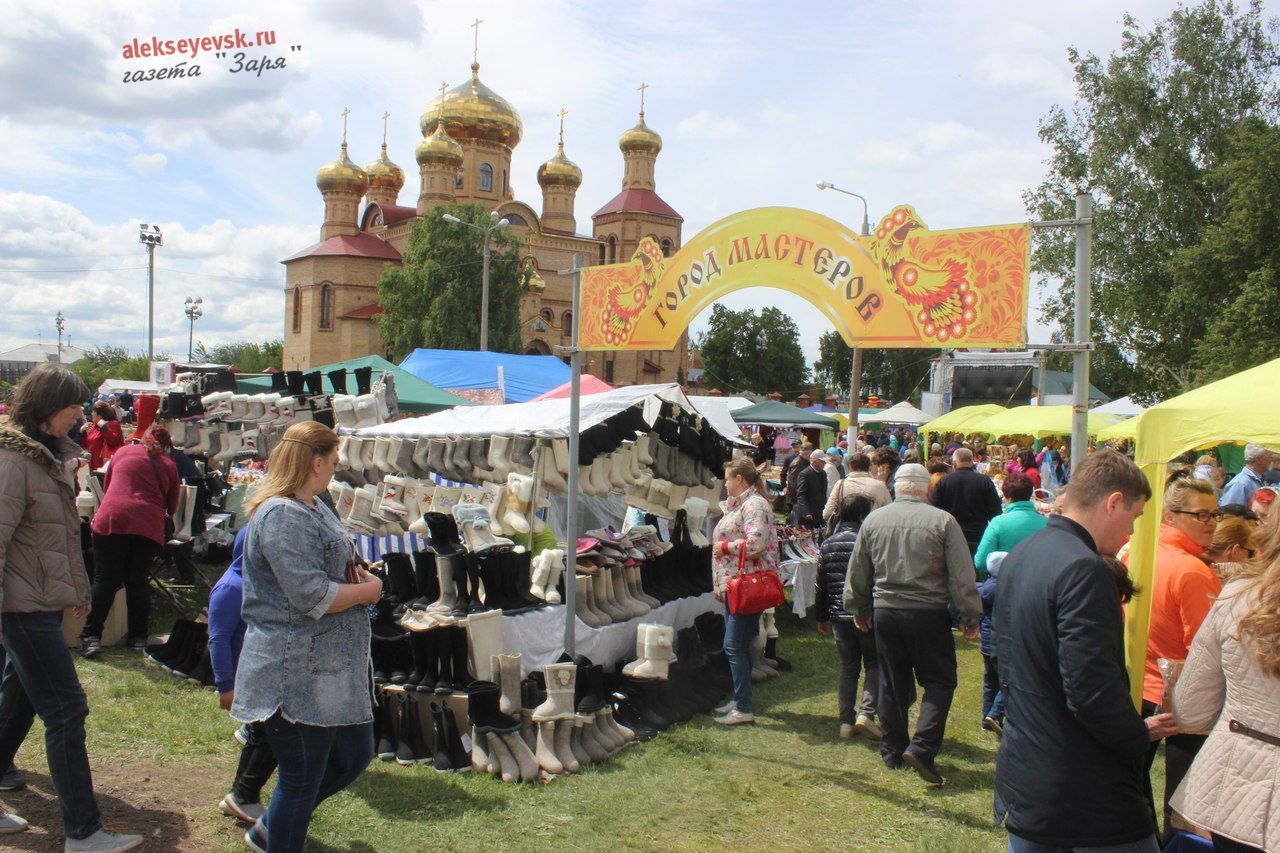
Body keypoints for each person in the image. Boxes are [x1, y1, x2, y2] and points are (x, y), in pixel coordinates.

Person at [994, 448, 1173, 853]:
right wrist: (1136, 733)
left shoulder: (1025, 552)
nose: (1130, 533)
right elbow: (1089, 687)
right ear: (1113, 503)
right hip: (1081, 786)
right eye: (1134, 516)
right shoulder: (1083, 567)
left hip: (1030, 771)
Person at [0, 363, 143, 851]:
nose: (80, 416)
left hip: (36, 600)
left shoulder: (45, 459)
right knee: (66, 710)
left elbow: (60, 539)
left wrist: (79, 590)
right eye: (72, 407)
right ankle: (82, 832)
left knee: (18, 699)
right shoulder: (14, 462)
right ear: (44, 408)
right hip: (20, 607)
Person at [231, 421, 381, 852]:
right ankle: (278, 838)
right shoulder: (282, 514)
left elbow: (326, 574)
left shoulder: (311, 506)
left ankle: (268, 831)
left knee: (354, 754)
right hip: (294, 670)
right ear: (316, 462)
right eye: (333, 462)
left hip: (325, 666)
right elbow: (310, 595)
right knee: (301, 779)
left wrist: (354, 578)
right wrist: (368, 591)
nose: (335, 470)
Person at [844, 463, 981, 787]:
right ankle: (921, 747)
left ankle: (893, 750)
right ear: (926, 489)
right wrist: (969, 614)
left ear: (895, 487)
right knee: (940, 680)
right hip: (928, 612)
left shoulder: (874, 520)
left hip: (887, 610)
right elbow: (962, 574)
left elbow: (858, 569)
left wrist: (859, 606)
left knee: (892, 681)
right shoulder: (943, 521)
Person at [1169, 509, 1280, 853]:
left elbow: (1190, 709)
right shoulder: (1239, 592)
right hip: (1236, 789)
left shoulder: (1237, 595)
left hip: (1232, 790)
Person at [1138, 475, 1223, 842]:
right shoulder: (1192, 569)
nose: (1211, 523)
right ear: (1171, 515)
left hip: (1138, 683)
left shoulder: (1137, 550)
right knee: (1182, 795)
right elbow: (1206, 649)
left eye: (1215, 515)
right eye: (1201, 515)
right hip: (1181, 696)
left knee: (1133, 782)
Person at [81, 428, 180, 657]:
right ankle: (137, 638)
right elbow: (171, 506)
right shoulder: (169, 465)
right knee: (137, 582)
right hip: (146, 524)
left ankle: (91, 637)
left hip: (112, 518)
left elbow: (108, 488)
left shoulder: (122, 453)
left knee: (105, 580)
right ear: (166, 446)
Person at [209, 528, 277, 825]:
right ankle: (244, 796)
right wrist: (226, 686)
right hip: (244, 680)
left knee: (264, 734)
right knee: (271, 735)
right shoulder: (231, 588)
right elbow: (218, 639)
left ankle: (240, 795)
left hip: (258, 675)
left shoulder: (253, 584)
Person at [710, 457, 779, 727]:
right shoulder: (743, 505)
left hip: (746, 585)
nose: (724, 484)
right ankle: (740, 700)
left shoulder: (754, 505)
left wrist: (726, 547)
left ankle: (743, 707)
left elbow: (756, 543)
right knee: (737, 644)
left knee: (733, 645)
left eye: (727, 478)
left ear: (739, 479)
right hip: (736, 584)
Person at [815, 493, 881, 741]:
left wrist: (822, 616)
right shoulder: (868, 541)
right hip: (865, 613)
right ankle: (866, 712)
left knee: (848, 667)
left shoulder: (828, 543)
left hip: (838, 615)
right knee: (873, 663)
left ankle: (845, 720)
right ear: (864, 515)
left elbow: (821, 585)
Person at [929, 447, 1003, 558]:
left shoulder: (944, 482)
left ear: (954, 463)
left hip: (951, 536)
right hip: (978, 535)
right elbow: (996, 512)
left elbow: (934, 510)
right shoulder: (984, 481)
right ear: (972, 462)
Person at [973, 472, 1048, 580]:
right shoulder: (1047, 523)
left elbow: (980, 561)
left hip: (1006, 583)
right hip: (1039, 583)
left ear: (1009, 497)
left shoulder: (998, 522)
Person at [822, 452, 891, 525]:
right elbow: (889, 512)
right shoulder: (880, 486)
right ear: (868, 467)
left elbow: (827, 514)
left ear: (850, 467)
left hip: (846, 531)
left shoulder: (840, 484)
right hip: (872, 530)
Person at [1219, 443, 1273, 508]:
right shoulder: (1240, 484)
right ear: (1259, 459)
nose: (1271, 460)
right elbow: (1230, 514)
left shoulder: (1256, 479)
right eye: (1269, 456)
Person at [1206, 514, 1256, 581]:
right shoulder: (1244, 585)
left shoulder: (1193, 571)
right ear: (1236, 551)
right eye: (1251, 553)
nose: (1252, 559)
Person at [81, 401, 123, 471]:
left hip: (105, 467)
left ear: (100, 415)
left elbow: (113, 441)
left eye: (93, 412)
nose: (91, 414)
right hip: (93, 465)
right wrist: (83, 432)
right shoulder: (94, 426)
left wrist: (104, 427)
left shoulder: (113, 424)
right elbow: (86, 445)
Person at [792, 450, 828, 530]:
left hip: (820, 512)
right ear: (815, 462)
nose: (824, 464)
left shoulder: (823, 474)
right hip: (809, 515)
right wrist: (806, 512)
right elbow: (801, 495)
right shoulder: (805, 474)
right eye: (822, 462)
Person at [784, 442, 813, 511]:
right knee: (795, 518)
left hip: (798, 496)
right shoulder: (798, 463)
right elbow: (792, 482)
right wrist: (796, 500)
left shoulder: (803, 461)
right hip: (796, 498)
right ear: (807, 453)